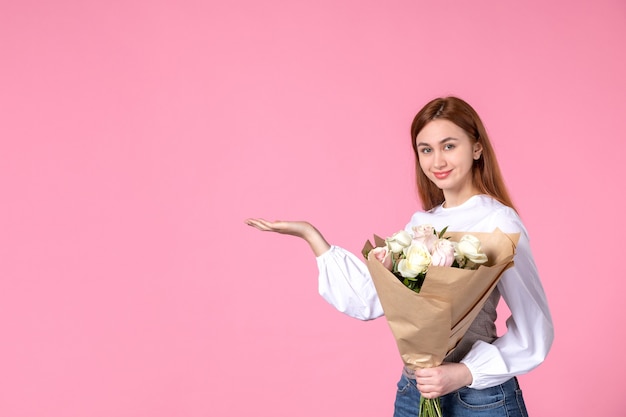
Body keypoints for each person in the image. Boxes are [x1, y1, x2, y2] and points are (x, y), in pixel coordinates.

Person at [246, 96, 554, 417]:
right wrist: (311, 235)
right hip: (415, 392)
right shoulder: (421, 225)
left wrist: (463, 373)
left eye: (449, 146)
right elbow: (372, 300)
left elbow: (535, 328)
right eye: (426, 149)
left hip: (480, 399)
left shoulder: (499, 223)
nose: (437, 161)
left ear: (477, 148)